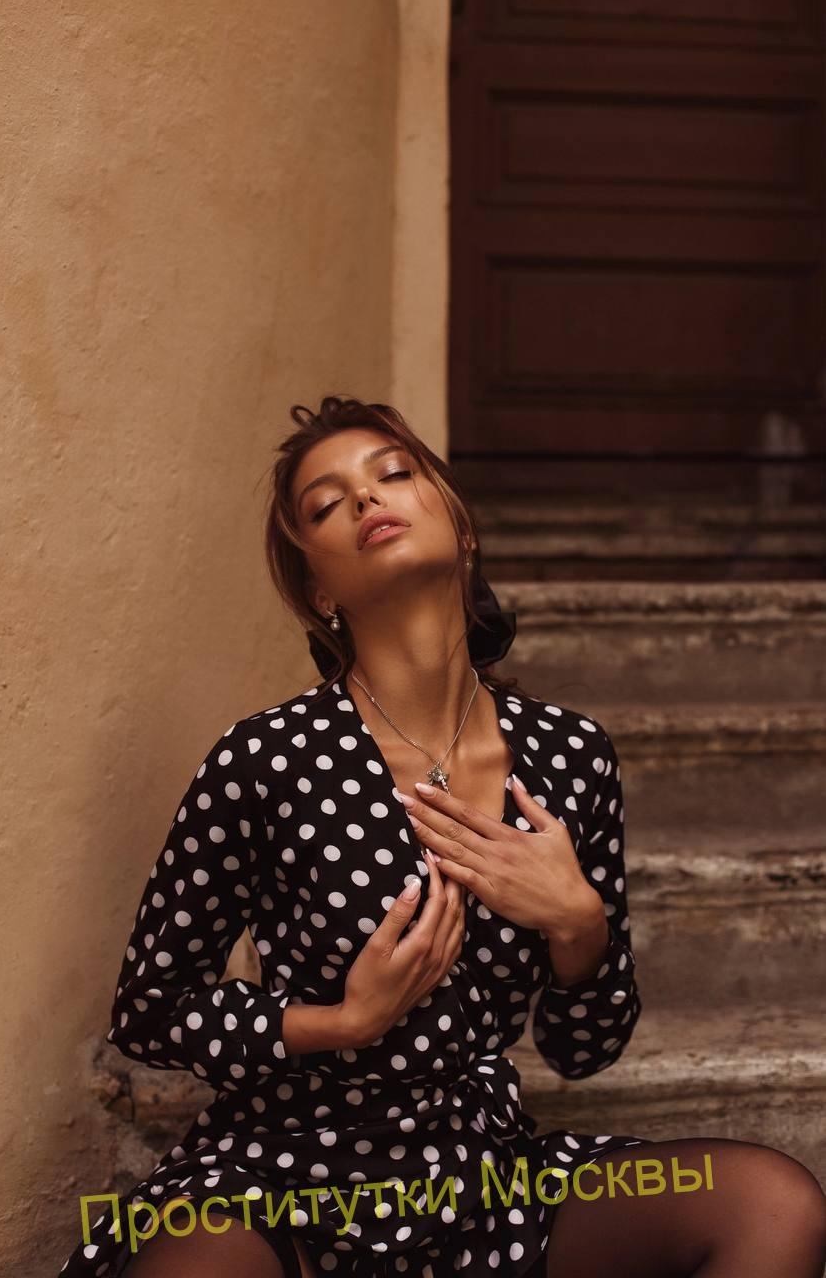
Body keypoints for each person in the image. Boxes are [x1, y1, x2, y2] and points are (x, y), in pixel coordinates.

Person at [58, 396, 826, 1278]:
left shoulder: (569, 755)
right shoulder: (266, 758)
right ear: (319, 590)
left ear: (461, 531)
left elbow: (583, 1049)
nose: (364, 498)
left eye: (393, 473)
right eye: (325, 504)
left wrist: (578, 923)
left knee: (770, 1204)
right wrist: (339, 1022)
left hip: (481, 1175)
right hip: (283, 1176)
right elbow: (150, 1008)